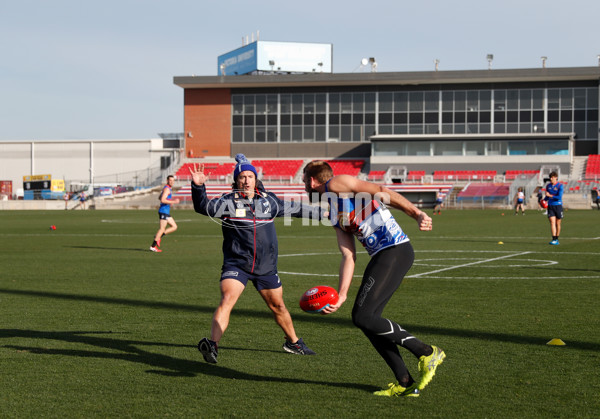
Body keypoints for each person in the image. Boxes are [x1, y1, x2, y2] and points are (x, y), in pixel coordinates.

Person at [302, 160, 445, 398]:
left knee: (364, 317)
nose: (304, 184)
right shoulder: (332, 212)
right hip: (382, 255)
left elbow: (382, 191)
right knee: (365, 320)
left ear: (312, 180)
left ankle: (426, 352)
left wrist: (416, 213)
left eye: (304, 179)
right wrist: (342, 294)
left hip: (395, 250)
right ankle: (405, 381)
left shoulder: (337, 183)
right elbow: (348, 255)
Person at [189, 154, 324, 363]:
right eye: (241, 177)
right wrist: (198, 187)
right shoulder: (227, 203)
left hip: (266, 267)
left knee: (278, 307)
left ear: (255, 179)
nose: (246, 180)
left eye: (249, 176)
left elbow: (296, 209)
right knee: (227, 300)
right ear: (236, 181)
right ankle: (213, 345)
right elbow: (203, 207)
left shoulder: (269, 201)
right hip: (237, 265)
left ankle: (294, 343)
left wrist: (325, 215)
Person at [150, 175, 179, 252]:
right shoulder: (167, 189)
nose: (172, 182)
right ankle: (153, 246)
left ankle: (158, 236)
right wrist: (173, 201)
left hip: (166, 211)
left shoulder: (167, 188)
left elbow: (160, 197)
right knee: (162, 228)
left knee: (174, 226)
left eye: (173, 181)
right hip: (163, 211)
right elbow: (162, 200)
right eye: (170, 180)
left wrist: (168, 201)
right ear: (167, 181)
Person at [544, 171, 563, 245]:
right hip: (550, 206)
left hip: (558, 206)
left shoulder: (560, 186)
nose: (551, 179)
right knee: (552, 222)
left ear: (556, 178)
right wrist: (543, 201)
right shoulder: (548, 186)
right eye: (550, 177)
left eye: (552, 177)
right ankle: (554, 239)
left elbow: (559, 197)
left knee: (558, 223)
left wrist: (550, 196)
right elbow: (546, 196)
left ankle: (557, 239)